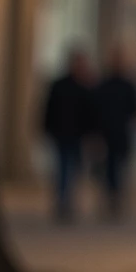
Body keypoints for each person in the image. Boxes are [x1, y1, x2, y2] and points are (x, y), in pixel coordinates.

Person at [42, 48, 95, 221]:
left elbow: (89, 114)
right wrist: (46, 129)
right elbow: (49, 108)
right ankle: (63, 202)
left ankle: (67, 201)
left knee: (73, 170)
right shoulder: (60, 85)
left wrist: (90, 134)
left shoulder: (84, 86)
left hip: (77, 136)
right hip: (62, 134)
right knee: (63, 169)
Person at [92, 46, 136, 217]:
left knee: (117, 169)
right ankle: (112, 199)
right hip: (109, 135)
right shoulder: (107, 85)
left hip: (119, 135)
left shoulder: (124, 85)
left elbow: (134, 109)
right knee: (110, 170)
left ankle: (116, 199)